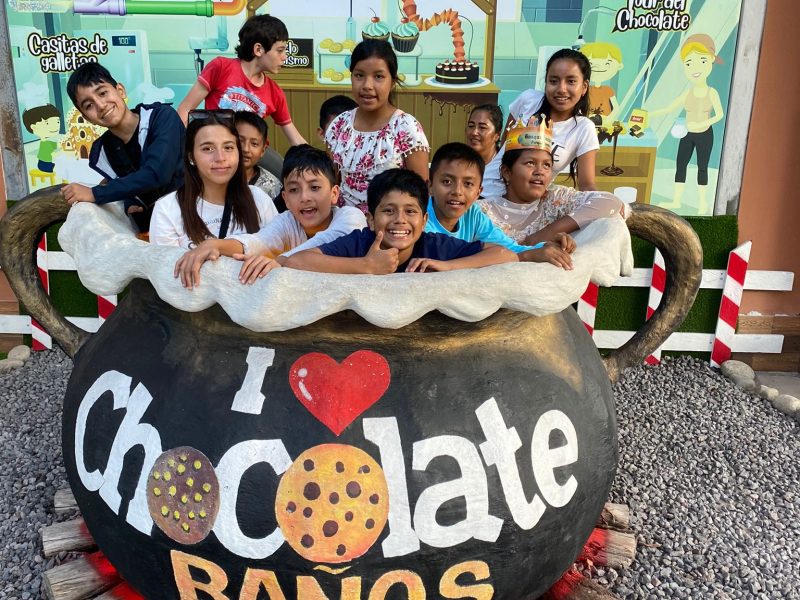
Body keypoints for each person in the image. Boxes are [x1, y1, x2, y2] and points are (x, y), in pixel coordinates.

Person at [173, 144, 366, 288]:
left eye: (315, 187)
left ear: (334, 193)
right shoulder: (287, 221)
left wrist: (280, 261)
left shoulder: (351, 216)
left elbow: (328, 241)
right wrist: (214, 244)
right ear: (285, 199)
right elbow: (257, 241)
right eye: (294, 190)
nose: (305, 197)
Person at [284, 169, 516, 274]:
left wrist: (449, 266)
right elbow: (297, 262)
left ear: (424, 221)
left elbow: (506, 255)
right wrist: (365, 266)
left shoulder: (433, 247)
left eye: (410, 211)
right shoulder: (360, 243)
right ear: (371, 220)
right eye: (388, 210)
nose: (400, 220)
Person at [61, 62, 185, 232]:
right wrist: (131, 201)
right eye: (89, 105)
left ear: (120, 90)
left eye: (103, 93)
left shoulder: (161, 117)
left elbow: (158, 173)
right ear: (87, 118)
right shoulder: (106, 150)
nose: (101, 105)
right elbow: (131, 184)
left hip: (197, 215)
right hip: (159, 228)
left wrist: (95, 193)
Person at [480, 115, 625, 247]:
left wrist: (546, 234)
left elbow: (610, 201)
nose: (540, 172)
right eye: (530, 163)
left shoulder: (554, 200)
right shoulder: (482, 211)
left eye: (547, 165)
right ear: (507, 172)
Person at [426, 142, 575, 270]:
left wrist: (546, 247)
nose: (457, 191)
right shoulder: (417, 216)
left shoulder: (473, 214)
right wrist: (522, 255)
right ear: (430, 186)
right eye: (447, 182)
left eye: (468, 184)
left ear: (478, 192)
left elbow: (510, 247)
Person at [325, 40, 429, 213]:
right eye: (359, 75)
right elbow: (330, 185)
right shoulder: (339, 126)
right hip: (343, 228)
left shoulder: (406, 128)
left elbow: (420, 195)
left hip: (392, 230)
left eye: (378, 76)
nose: (367, 85)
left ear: (393, 81)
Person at [149, 110, 278, 248]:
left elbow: (278, 254)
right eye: (208, 149)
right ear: (191, 156)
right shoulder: (167, 209)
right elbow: (168, 268)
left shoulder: (259, 200)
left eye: (228, 147)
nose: (220, 157)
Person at [482, 49, 599, 197]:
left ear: (584, 87)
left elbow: (587, 185)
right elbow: (502, 148)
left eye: (571, 81)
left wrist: (606, 201)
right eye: (553, 81)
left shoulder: (584, 128)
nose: (561, 89)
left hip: (524, 205)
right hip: (481, 192)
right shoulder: (528, 99)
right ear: (546, 82)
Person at [177, 14, 306, 146]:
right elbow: (184, 110)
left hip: (251, 153)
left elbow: (294, 137)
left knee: (280, 165)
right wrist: (193, 149)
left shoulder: (275, 92)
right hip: (217, 147)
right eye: (280, 51)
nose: (285, 57)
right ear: (258, 49)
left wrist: (316, 160)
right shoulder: (221, 67)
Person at [649, 33, 724, 214]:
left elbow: (720, 114)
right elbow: (669, 108)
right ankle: (676, 200)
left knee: (702, 167)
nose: (694, 68)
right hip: (688, 133)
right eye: (689, 63)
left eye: (702, 61)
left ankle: (702, 204)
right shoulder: (688, 93)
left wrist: (704, 122)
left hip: (705, 133)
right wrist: (649, 114)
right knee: (681, 164)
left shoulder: (711, 92)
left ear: (711, 61)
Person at [234, 110, 282, 200]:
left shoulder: (272, 186)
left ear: (263, 150)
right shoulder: (216, 179)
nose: (245, 149)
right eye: (240, 141)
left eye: (254, 144)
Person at [579, 42, 624, 121]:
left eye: (607, 63)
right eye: (591, 63)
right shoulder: (584, 89)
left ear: (619, 66)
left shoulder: (608, 90)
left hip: (605, 120)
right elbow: (578, 106)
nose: (599, 67)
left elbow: (616, 108)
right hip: (588, 121)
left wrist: (609, 119)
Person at [22, 103, 61, 174]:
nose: (55, 126)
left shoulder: (47, 142)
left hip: (45, 163)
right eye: (47, 123)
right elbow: (52, 153)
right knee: (61, 166)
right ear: (33, 127)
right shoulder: (45, 144)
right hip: (44, 165)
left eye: (57, 122)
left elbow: (56, 145)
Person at [465, 103, 502, 169]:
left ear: (497, 135)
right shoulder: (459, 166)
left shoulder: (504, 169)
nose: (474, 132)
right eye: (471, 126)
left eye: (482, 127)